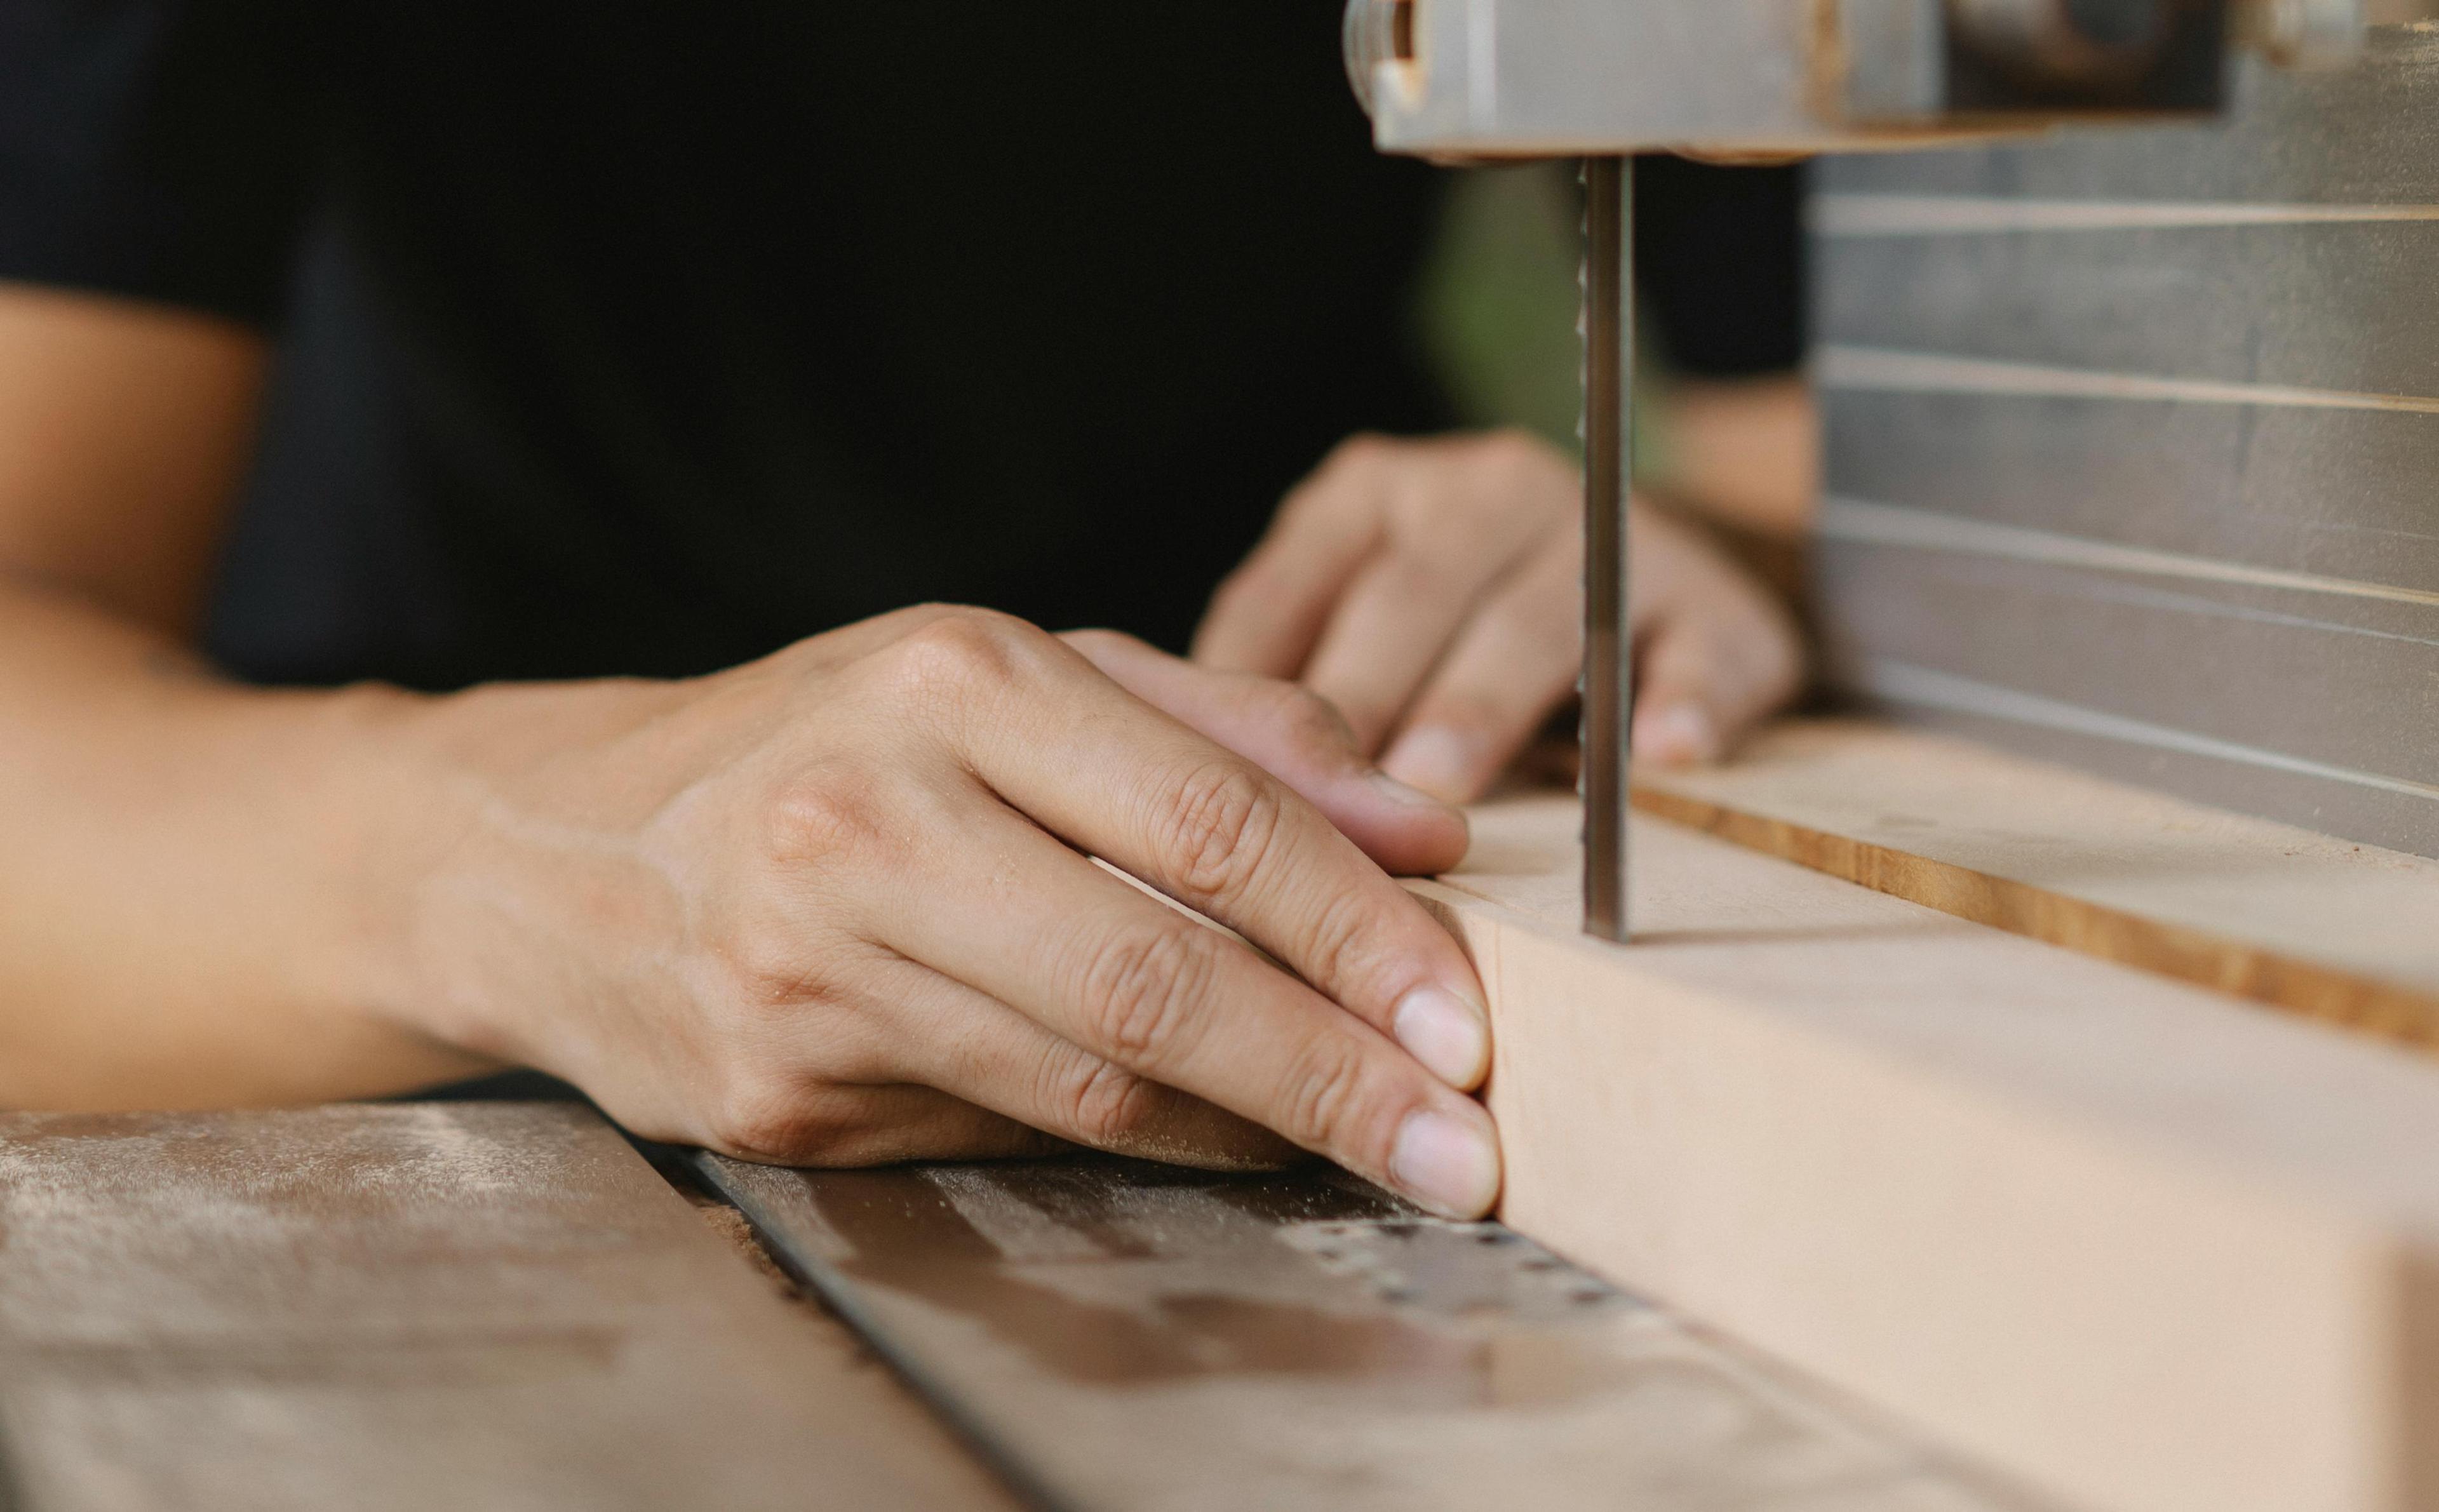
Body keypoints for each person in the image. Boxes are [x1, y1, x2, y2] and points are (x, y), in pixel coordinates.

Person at [0, 1, 1806, 1219]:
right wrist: (536, 869)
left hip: (1337, 831)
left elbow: (1812, 463)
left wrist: (1678, 549)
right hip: (353, 954)